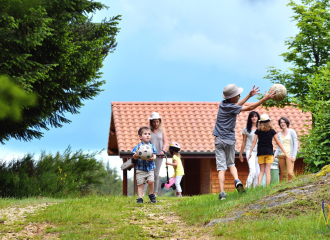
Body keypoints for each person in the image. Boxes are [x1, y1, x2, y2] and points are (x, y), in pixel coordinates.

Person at [214, 84, 276, 200]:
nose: (239, 96)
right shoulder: (232, 107)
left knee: (221, 168)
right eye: (238, 95)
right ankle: (237, 180)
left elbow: (237, 105)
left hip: (218, 139)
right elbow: (248, 108)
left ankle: (222, 193)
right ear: (232, 98)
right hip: (229, 140)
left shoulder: (223, 105)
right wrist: (264, 99)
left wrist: (249, 95)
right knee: (231, 164)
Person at [248, 114, 292, 186]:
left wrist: (250, 152)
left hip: (260, 153)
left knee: (261, 171)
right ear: (269, 122)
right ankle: (267, 187)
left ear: (260, 122)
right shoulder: (272, 131)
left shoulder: (258, 131)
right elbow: (278, 142)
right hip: (269, 152)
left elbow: (254, 142)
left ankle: (258, 186)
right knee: (268, 171)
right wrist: (285, 153)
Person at [143, 112, 168, 196]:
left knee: (156, 174)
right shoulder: (148, 131)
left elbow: (166, 143)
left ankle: (154, 193)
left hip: (159, 155)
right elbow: (145, 142)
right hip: (150, 155)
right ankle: (142, 193)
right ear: (151, 122)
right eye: (154, 122)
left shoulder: (162, 130)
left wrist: (163, 151)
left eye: (157, 121)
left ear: (159, 121)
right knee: (148, 173)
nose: (156, 123)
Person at [132, 127, 157, 204]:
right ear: (140, 137)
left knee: (151, 181)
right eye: (145, 134)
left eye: (149, 134)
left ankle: (151, 194)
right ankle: (140, 198)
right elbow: (133, 156)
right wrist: (135, 156)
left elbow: (155, 155)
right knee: (140, 184)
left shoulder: (152, 147)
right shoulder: (137, 147)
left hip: (150, 168)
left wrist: (153, 158)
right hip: (140, 169)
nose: (147, 135)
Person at [239, 111, 260, 188]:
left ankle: (255, 189)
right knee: (253, 171)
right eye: (252, 117)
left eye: (255, 116)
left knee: (258, 173)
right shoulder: (246, 129)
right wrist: (241, 153)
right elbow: (243, 142)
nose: (254, 118)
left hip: (258, 151)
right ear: (250, 118)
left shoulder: (261, 128)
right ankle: (247, 188)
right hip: (249, 151)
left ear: (258, 118)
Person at [274, 117, 298, 181]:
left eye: (284, 122)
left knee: (290, 173)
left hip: (289, 155)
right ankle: (285, 188)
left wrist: (294, 156)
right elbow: (278, 146)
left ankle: (297, 183)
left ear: (287, 123)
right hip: (281, 155)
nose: (282, 124)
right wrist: (275, 155)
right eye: (281, 122)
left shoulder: (292, 131)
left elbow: (295, 144)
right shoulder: (279, 134)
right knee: (284, 174)